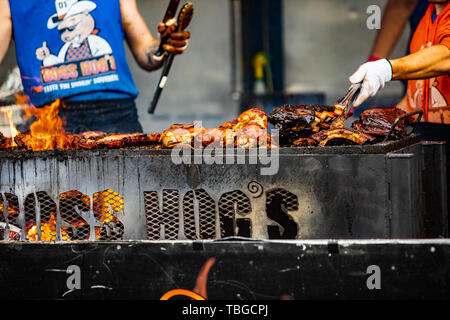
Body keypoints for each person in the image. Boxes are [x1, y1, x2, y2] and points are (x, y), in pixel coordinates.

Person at [0, 0, 190, 133]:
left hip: (116, 114)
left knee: (126, 190)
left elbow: (147, 54)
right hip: (49, 119)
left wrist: (164, 46)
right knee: (54, 192)